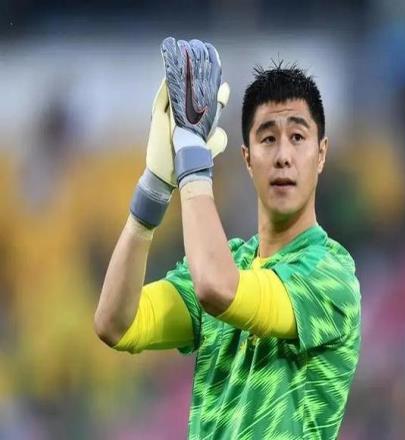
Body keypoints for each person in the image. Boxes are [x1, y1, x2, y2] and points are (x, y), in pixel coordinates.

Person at [94, 37, 361, 439]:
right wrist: (154, 189)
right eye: (267, 138)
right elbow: (115, 323)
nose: (283, 156)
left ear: (321, 154)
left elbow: (218, 289)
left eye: (298, 137)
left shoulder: (331, 275)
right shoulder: (226, 261)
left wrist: (192, 163)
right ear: (247, 158)